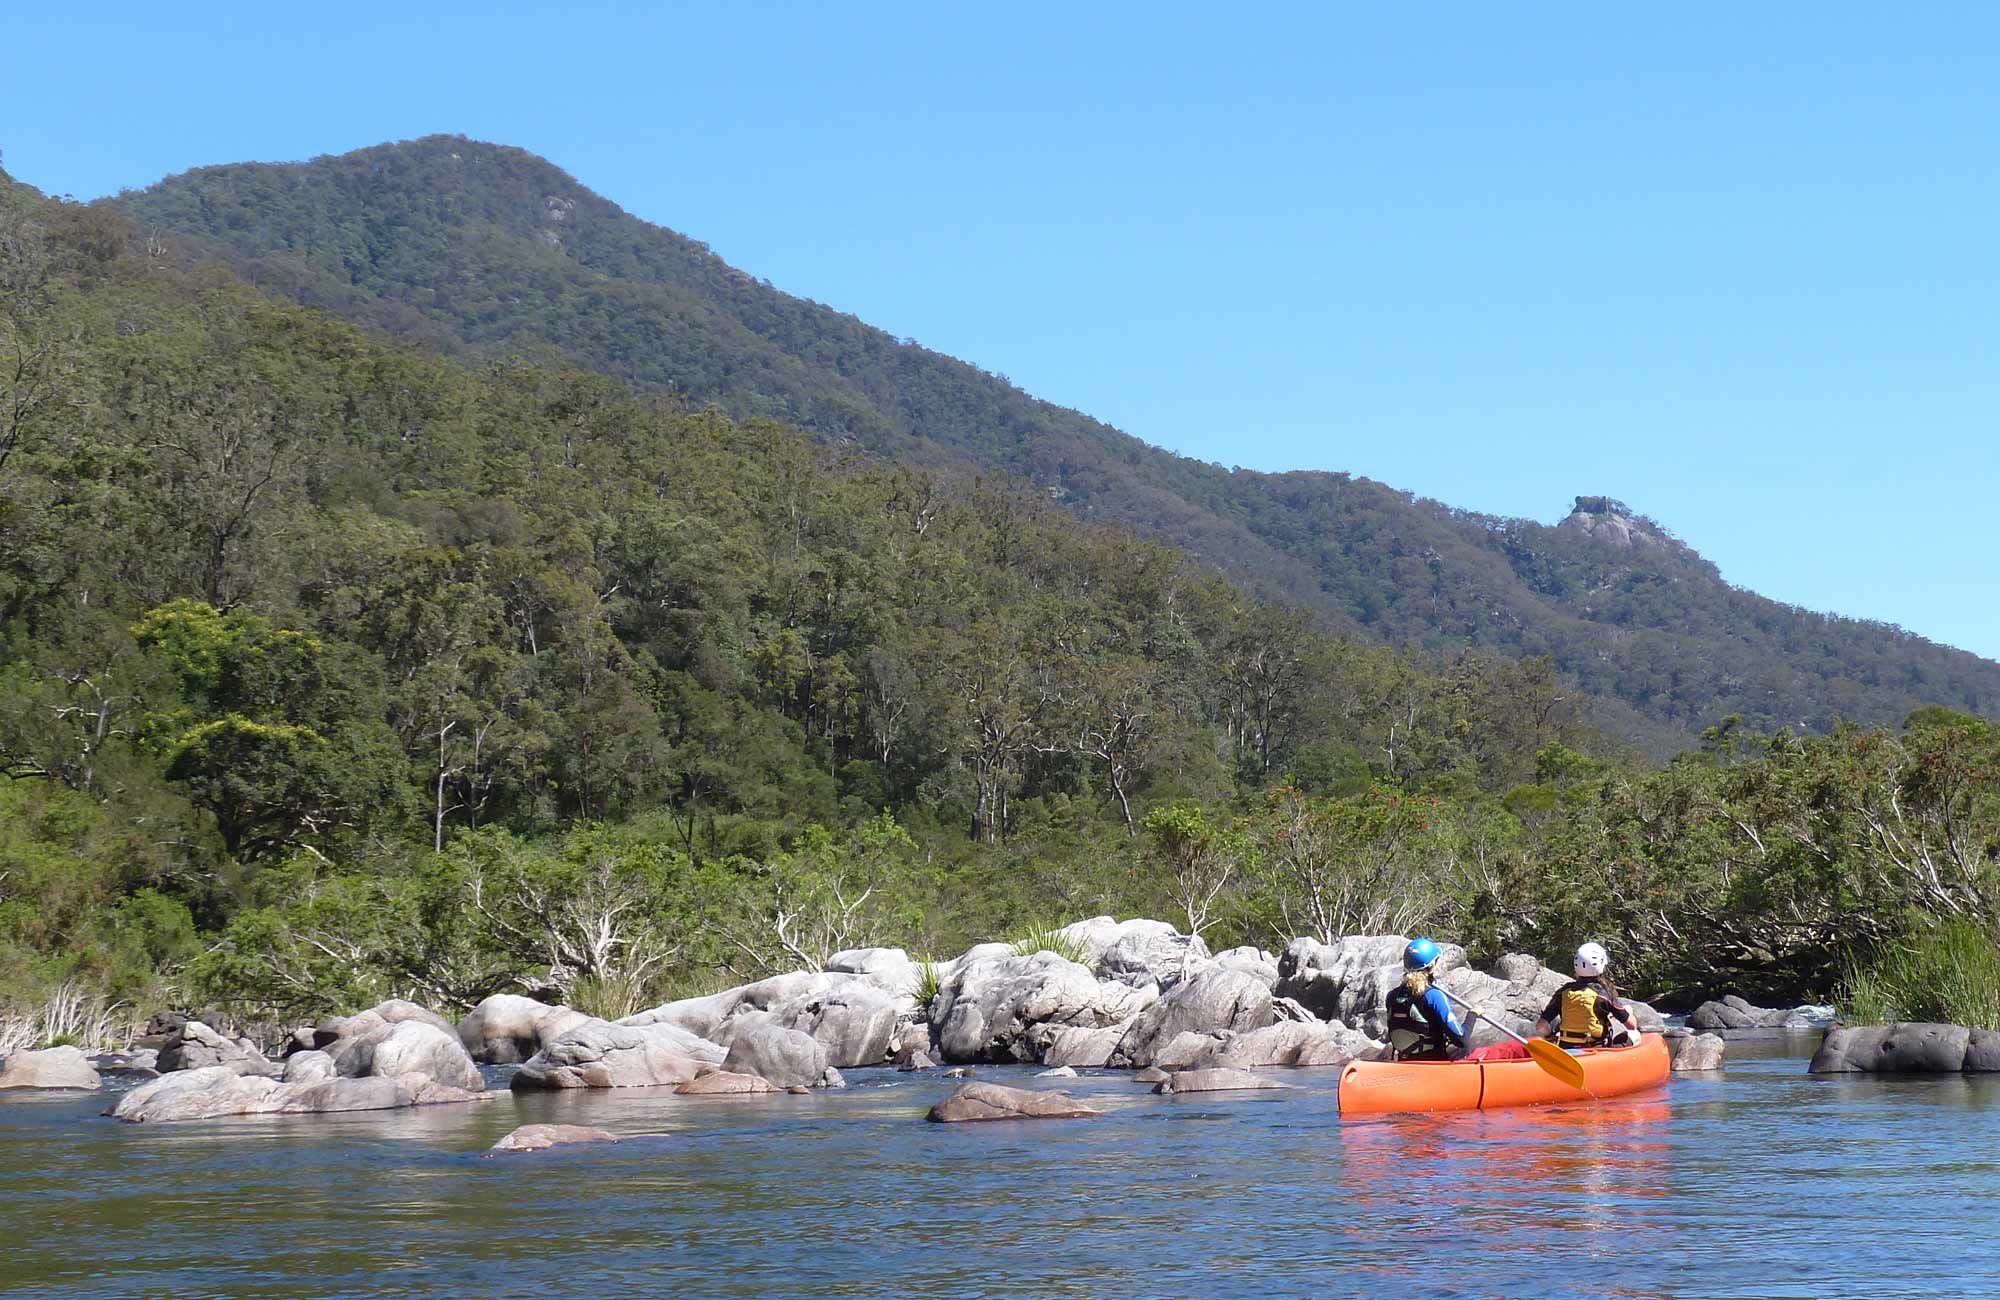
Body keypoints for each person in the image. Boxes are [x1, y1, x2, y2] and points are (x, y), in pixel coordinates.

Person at [1533, 942, 1641, 1050]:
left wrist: (1550, 1037)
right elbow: (1632, 1026)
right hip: (1597, 1050)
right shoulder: (1604, 994)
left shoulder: (1563, 992)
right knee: (1634, 1035)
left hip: (1566, 1049)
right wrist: (1629, 1011)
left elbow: (1541, 1027)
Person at [1385, 937, 1469, 1061]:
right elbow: (1460, 1039)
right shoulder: (1434, 995)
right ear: (1431, 965)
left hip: (1405, 1061)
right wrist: (1472, 1016)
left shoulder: (1392, 996)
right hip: (1433, 1063)